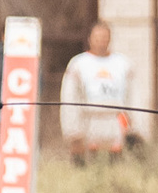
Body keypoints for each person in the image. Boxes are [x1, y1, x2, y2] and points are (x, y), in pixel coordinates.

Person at [60, 22, 146, 162]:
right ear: (90, 39)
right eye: (97, 38)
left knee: (116, 162)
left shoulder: (124, 64)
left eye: (104, 37)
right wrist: (73, 130)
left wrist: (137, 127)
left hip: (115, 121)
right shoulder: (78, 64)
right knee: (89, 162)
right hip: (89, 121)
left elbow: (134, 97)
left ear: (110, 38)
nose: (101, 42)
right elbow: (69, 98)